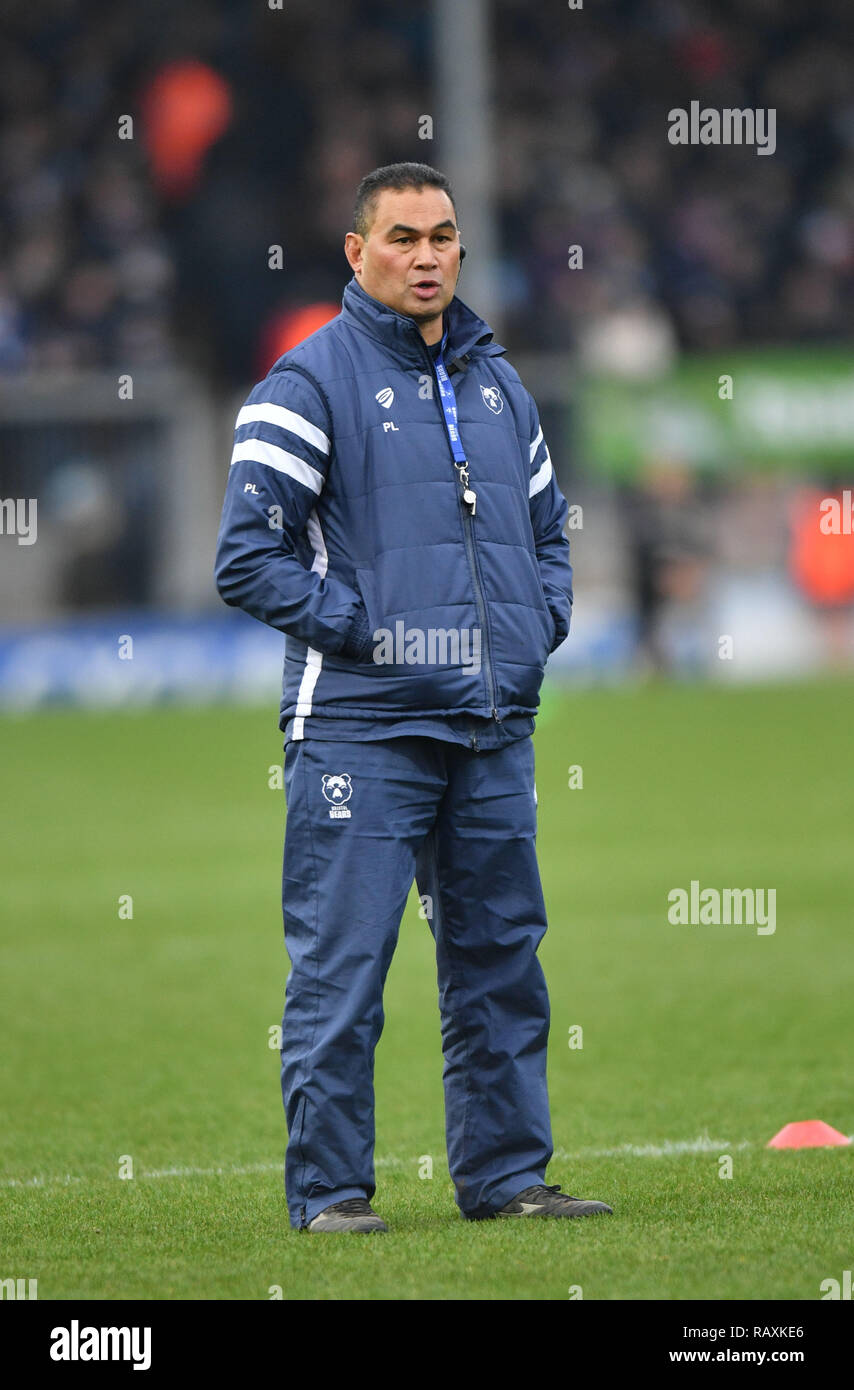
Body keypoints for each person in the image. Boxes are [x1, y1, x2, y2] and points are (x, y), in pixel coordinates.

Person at [214, 162, 613, 1232]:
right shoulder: (306, 383)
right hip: (360, 726)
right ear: (356, 252)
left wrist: (534, 631)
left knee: (499, 965)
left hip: (488, 724)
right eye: (401, 237)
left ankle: (506, 1179)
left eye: (442, 237)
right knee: (344, 973)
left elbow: (542, 534)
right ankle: (333, 1194)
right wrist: (370, 634)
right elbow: (244, 557)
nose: (426, 255)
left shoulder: (497, 381)